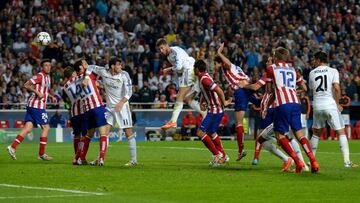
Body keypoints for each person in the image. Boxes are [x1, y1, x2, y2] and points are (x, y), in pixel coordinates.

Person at [265, 47, 319, 173]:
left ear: (275, 56)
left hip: (283, 104)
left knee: (280, 135)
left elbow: (268, 91)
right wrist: (293, 90)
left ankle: (298, 161)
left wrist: (268, 102)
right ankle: (313, 161)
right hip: (295, 103)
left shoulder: (271, 68)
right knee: (300, 134)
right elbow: (304, 87)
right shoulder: (293, 69)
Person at [82, 57, 138, 166]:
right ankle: (100, 158)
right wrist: (87, 77)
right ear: (112, 66)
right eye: (118, 65)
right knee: (104, 133)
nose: (121, 67)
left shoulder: (124, 75)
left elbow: (129, 92)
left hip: (122, 107)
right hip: (109, 107)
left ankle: (134, 160)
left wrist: (121, 103)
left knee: (128, 132)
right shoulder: (104, 71)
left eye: (121, 65)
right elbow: (91, 67)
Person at [309, 51, 357, 168]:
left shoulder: (311, 73)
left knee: (316, 134)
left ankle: (311, 162)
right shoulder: (333, 71)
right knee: (341, 132)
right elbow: (336, 87)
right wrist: (339, 103)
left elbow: (312, 90)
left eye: (314, 59)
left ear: (319, 60)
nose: (313, 61)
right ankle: (346, 162)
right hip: (330, 105)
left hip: (317, 106)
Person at [7, 59, 56, 161]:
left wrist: (51, 96)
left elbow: (44, 90)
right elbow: (26, 85)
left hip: (33, 106)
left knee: (28, 128)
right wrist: (37, 92)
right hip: (37, 106)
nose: (48, 67)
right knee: (46, 127)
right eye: (46, 65)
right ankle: (41, 154)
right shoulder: (40, 76)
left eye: (49, 65)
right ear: (42, 67)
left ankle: (12, 147)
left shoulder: (48, 77)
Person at [215, 43, 255, 161]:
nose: (214, 66)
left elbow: (226, 63)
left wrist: (219, 53)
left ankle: (241, 150)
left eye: (215, 63)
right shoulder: (235, 67)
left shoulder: (227, 66)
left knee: (238, 123)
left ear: (220, 62)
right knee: (261, 104)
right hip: (248, 88)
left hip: (241, 91)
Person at [156, 38, 204, 129]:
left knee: (180, 96)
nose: (161, 51)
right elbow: (178, 69)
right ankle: (205, 114)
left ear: (166, 45)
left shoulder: (175, 51)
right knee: (187, 99)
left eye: (162, 48)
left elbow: (179, 66)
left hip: (189, 70)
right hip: (187, 72)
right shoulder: (169, 56)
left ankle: (173, 121)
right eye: (159, 50)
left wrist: (168, 69)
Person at [194, 59, 231, 166]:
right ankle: (223, 155)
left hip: (215, 109)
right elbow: (205, 92)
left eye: (194, 69)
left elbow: (218, 90)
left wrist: (224, 102)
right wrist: (202, 102)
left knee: (200, 133)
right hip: (215, 109)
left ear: (197, 69)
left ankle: (217, 155)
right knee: (211, 132)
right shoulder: (203, 77)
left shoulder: (204, 79)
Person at [73, 59, 110, 166]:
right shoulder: (88, 75)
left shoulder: (76, 81)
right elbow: (95, 67)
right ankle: (101, 158)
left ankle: (82, 158)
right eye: (85, 64)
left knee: (88, 135)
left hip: (87, 110)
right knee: (103, 133)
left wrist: (98, 84)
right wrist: (89, 75)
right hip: (97, 106)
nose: (87, 65)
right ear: (81, 67)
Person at [62, 67, 89, 165]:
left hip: (73, 112)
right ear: (73, 73)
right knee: (84, 135)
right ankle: (79, 157)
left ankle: (76, 156)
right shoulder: (78, 79)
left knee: (76, 135)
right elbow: (87, 74)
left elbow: (65, 100)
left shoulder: (65, 87)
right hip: (82, 110)